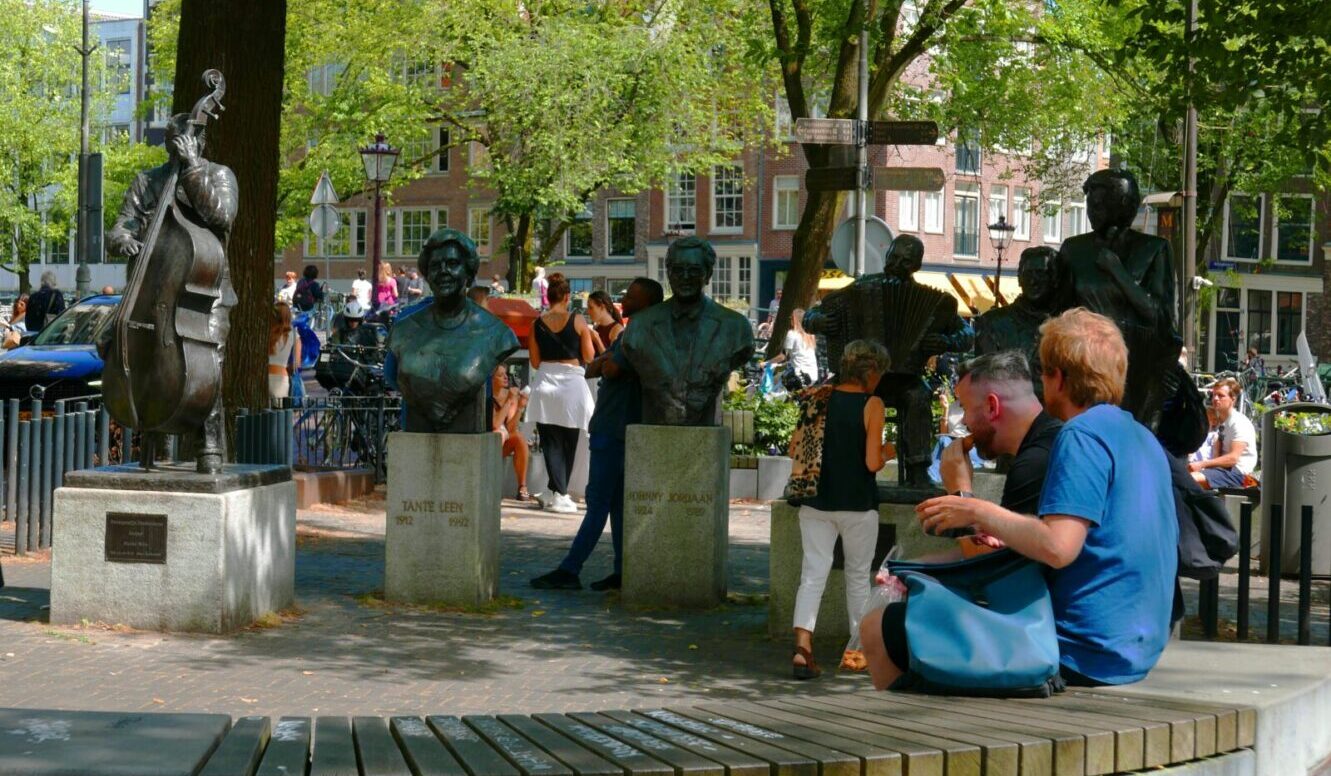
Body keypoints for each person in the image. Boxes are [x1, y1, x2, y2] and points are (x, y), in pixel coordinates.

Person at [862, 308, 1178, 690]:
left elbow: (1059, 547)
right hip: (1136, 650)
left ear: (1058, 378)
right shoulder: (1142, 438)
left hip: (1076, 651)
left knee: (878, 627)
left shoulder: (1080, 436)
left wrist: (973, 508)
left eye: (1043, 372)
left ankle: (910, 742)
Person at [530, 277, 665, 591]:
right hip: (619, 422)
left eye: (630, 295)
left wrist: (606, 362)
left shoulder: (635, 335)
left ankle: (570, 569)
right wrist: (606, 361)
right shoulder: (635, 334)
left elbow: (607, 368)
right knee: (616, 502)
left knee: (599, 500)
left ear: (645, 302)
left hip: (614, 424)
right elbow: (593, 367)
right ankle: (620, 570)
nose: (623, 299)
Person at [788, 340, 893, 680]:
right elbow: (871, 461)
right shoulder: (872, 403)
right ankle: (857, 653)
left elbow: (794, 447)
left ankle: (803, 649)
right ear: (871, 372)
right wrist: (889, 450)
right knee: (858, 577)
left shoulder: (818, 398)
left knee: (812, 575)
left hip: (816, 501)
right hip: (858, 505)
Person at [937, 351, 1064, 555]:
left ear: (992, 406)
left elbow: (992, 568)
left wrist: (959, 492)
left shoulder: (1035, 463)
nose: (963, 422)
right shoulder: (1052, 440)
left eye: (965, 408)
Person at [619, 237, 755, 426]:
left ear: (708, 274)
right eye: (678, 270)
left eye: (694, 270)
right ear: (668, 273)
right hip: (654, 433)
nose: (685, 277)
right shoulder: (640, 327)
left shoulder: (736, 328)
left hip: (705, 435)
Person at [526, 272, 596, 513]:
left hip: (545, 382)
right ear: (567, 296)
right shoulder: (577, 320)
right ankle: (561, 495)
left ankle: (553, 490)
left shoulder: (536, 323)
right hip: (572, 385)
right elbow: (588, 357)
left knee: (550, 441)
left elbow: (534, 362)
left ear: (548, 296)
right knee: (569, 441)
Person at [1190, 378, 1257, 490]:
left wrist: (1202, 464)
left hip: (1238, 474)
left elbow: (1233, 458)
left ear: (1233, 399)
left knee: (1190, 480)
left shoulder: (1239, 422)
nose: (1215, 398)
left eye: (1221, 395)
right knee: (1180, 476)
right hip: (1222, 470)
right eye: (1214, 395)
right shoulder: (1220, 421)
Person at [492, 365, 532, 502]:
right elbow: (495, 424)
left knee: (519, 438)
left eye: (506, 374)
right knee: (498, 433)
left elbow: (511, 428)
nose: (505, 377)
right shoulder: (486, 396)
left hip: (502, 441)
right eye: (500, 375)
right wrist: (509, 400)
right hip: (487, 442)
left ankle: (522, 486)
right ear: (491, 379)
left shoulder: (510, 395)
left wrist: (520, 407)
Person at [761, 307, 818, 387]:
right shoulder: (810, 335)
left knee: (773, 393)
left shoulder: (792, 334)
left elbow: (783, 357)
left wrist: (766, 363)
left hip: (799, 376)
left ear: (795, 320)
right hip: (813, 376)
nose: (790, 319)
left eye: (791, 318)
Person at [268, 301, 301, 403]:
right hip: (281, 378)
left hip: (262, 377)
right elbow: (296, 364)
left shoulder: (265, 332)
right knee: (280, 416)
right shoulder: (294, 335)